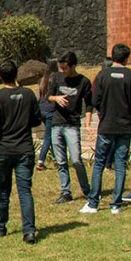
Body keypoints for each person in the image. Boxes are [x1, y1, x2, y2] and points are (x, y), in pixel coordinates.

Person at [0, 61, 42, 243]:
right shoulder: (28, 94)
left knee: (4, 190)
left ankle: (0, 227)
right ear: (16, 74)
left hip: (4, 149)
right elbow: (37, 119)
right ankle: (29, 231)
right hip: (24, 149)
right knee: (24, 191)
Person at [81, 43, 131, 215]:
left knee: (99, 163)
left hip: (106, 124)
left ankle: (93, 203)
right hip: (124, 125)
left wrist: (103, 111)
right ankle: (116, 204)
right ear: (126, 58)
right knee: (120, 164)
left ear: (112, 56)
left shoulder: (102, 74)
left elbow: (95, 100)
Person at [48, 51, 93, 203]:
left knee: (76, 160)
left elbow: (89, 104)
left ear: (73, 66)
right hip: (56, 124)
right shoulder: (56, 77)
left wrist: (87, 123)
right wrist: (57, 98)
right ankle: (65, 192)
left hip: (72, 125)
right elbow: (48, 96)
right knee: (61, 161)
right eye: (60, 68)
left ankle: (86, 189)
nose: (62, 71)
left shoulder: (84, 82)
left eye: (65, 68)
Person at [35, 59, 58, 171]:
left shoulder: (43, 79)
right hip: (50, 110)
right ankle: (40, 161)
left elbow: (39, 96)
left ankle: (55, 159)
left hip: (42, 110)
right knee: (48, 137)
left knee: (51, 135)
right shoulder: (55, 78)